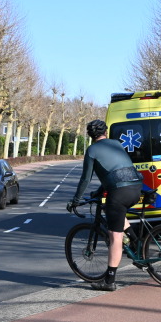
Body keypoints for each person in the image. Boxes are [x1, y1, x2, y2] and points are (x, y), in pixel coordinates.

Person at [67, 119, 143, 291]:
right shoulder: (116, 144)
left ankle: (109, 281)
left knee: (114, 235)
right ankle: (138, 244)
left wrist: (76, 199)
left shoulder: (92, 150)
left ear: (90, 135)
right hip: (136, 186)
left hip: (119, 192)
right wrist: (100, 191)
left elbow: (86, 178)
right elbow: (117, 171)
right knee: (116, 212)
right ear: (106, 132)